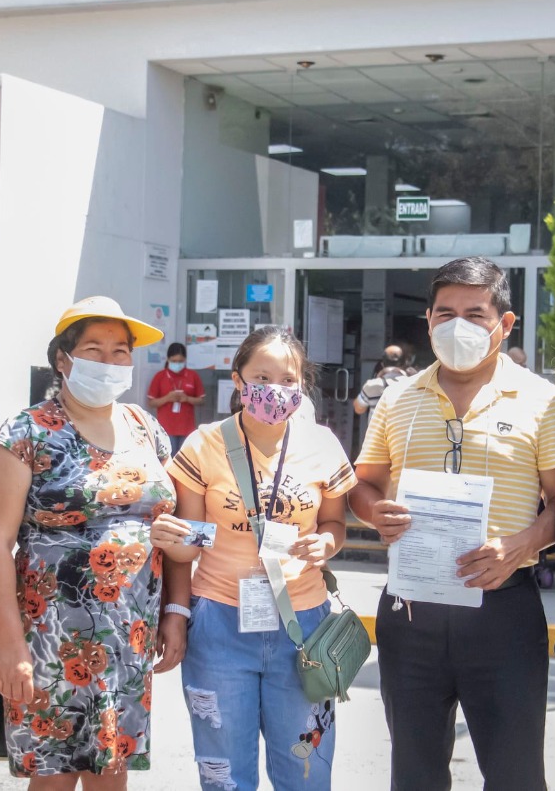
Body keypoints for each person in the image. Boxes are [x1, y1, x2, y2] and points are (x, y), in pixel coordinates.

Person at [349, 257, 555, 791]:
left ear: (506, 323)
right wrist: (374, 511)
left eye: (475, 313)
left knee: (515, 774)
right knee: (415, 773)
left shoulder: (544, 401)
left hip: (502, 608)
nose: (458, 326)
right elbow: (362, 483)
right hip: (409, 610)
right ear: (427, 320)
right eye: (445, 313)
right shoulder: (398, 398)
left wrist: (520, 546)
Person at [0, 296, 189, 788]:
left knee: (112, 773)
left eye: (120, 351)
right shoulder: (25, 433)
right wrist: (11, 647)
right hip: (50, 642)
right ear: (62, 360)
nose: (109, 361)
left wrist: (177, 613)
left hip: (128, 640)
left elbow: (176, 525)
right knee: (52, 777)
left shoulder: (145, 427)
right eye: (94, 349)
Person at [151, 326, 355, 791]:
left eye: (288, 379)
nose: (276, 389)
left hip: (304, 626)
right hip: (219, 625)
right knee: (225, 775)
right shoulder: (204, 445)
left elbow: (334, 525)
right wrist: (171, 541)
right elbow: (192, 542)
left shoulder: (322, 444)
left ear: (302, 386)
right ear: (238, 379)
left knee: (305, 771)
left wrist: (326, 544)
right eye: (262, 376)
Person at [147, 342, 206, 455]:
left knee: (185, 460)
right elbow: (151, 402)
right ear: (168, 359)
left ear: (185, 360)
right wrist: (167, 398)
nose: (177, 364)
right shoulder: (160, 376)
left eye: (180, 361)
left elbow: (201, 400)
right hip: (166, 428)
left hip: (187, 428)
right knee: (168, 460)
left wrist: (187, 399)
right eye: (174, 361)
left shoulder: (192, 376)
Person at [353, 344, 414, 416]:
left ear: (382, 364)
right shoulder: (415, 384)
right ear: (404, 364)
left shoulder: (372, 385)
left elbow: (359, 409)